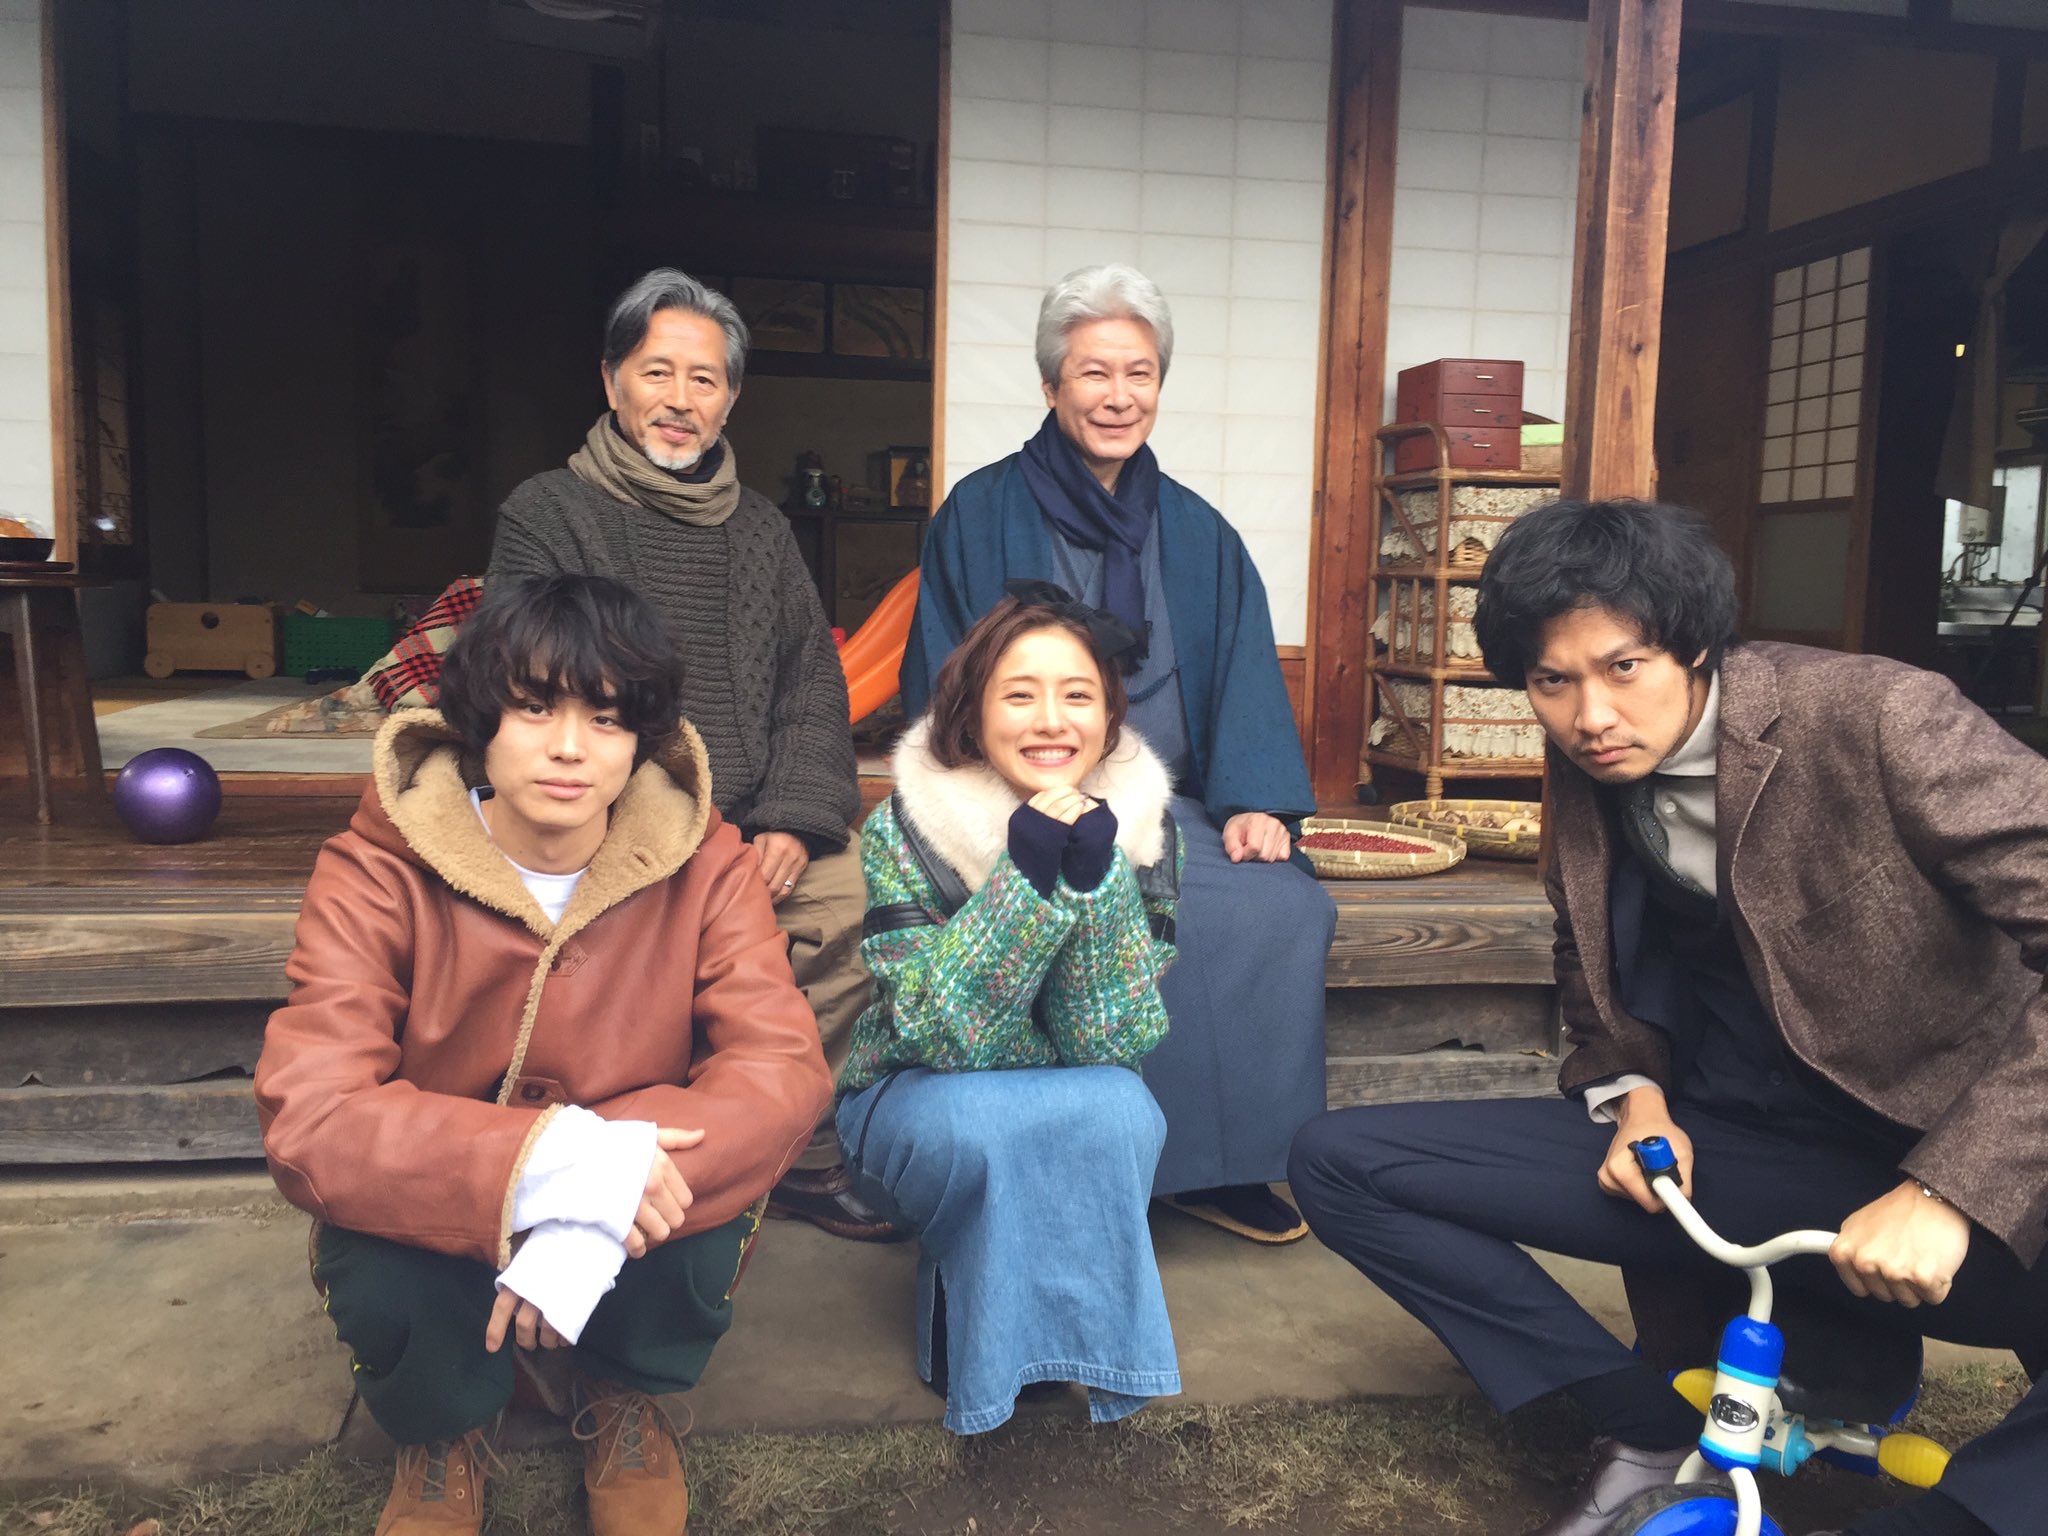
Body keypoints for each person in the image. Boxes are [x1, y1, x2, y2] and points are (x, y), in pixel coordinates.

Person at [1288, 499, 2047, 1536]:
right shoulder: (1590, 765)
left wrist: (1947, 1190)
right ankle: (1645, 1429)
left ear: (1692, 644)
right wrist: (1635, 1098)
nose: (1589, 715)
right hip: (1758, 1152)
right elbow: (1588, 957)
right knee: (1342, 1163)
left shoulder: (1878, 717)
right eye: (1551, 682)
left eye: (1622, 667)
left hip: (1973, 1168)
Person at [255, 574, 833, 1536]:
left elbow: (779, 1068)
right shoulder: (377, 866)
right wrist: (549, 1166)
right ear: (481, 720)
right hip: (446, 1201)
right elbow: (313, 1110)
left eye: (606, 719)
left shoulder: (707, 864)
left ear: (640, 739)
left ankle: (624, 1390)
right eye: (534, 708)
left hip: (636, 1201)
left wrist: (601, 1195)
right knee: (378, 1247)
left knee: (701, 1201)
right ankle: (441, 1429)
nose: (570, 747)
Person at [901, 264, 1334, 1244]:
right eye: (1093, 372)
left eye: (1138, 373)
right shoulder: (979, 513)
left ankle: (1227, 1163)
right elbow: (943, 676)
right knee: (1090, 900)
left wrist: (1255, 800)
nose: (1117, 395)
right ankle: (1093, 1166)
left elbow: (1242, 675)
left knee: (1277, 906)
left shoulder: (1200, 534)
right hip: (1013, 797)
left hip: (1171, 803)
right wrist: (994, 795)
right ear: (1051, 385)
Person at [486, 269, 887, 1241]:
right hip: (607, 824)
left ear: (730, 397)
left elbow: (811, 686)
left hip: (751, 826)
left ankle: (789, 1147)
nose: (678, 398)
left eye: (703, 379)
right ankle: (659, 1152)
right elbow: (527, 697)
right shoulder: (548, 512)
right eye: (655, 371)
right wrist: (679, 834)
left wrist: (792, 820)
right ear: (611, 380)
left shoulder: (762, 530)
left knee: (859, 903)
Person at [838, 584, 1185, 1434]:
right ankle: (985, 1338)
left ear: (1110, 714)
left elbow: (1111, 1040)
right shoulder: (909, 825)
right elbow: (936, 1034)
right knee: (987, 1122)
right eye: (1020, 695)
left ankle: (1063, 1350)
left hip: (1067, 1080)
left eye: (1078, 696)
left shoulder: (1144, 827)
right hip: (913, 1090)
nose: (1051, 721)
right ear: (973, 710)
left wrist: (1093, 884)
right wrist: (1024, 885)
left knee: (1121, 1109)